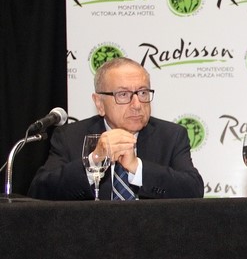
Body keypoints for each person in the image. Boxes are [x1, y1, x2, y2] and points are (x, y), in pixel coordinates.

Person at [28, 57, 204, 200]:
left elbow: (193, 190)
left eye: (143, 93)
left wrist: (137, 167)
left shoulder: (171, 136)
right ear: (99, 103)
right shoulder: (70, 137)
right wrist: (94, 161)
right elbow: (40, 191)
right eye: (123, 94)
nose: (137, 104)